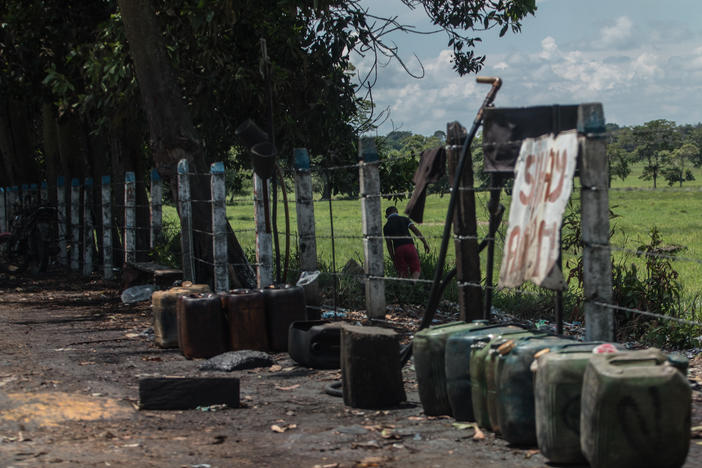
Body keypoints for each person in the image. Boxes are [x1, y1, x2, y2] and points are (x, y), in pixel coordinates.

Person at [383, 206, 430, 279]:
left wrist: (393, 257)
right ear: (397, 212)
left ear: (386, 216)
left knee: (402, 271)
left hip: (398, 249)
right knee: (416, 268)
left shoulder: (386, 226)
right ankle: (414, 283)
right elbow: (415, 230)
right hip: (410, 246)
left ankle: (404, 287)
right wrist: (425, 242)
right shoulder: (405, 219)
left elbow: (389, 244)